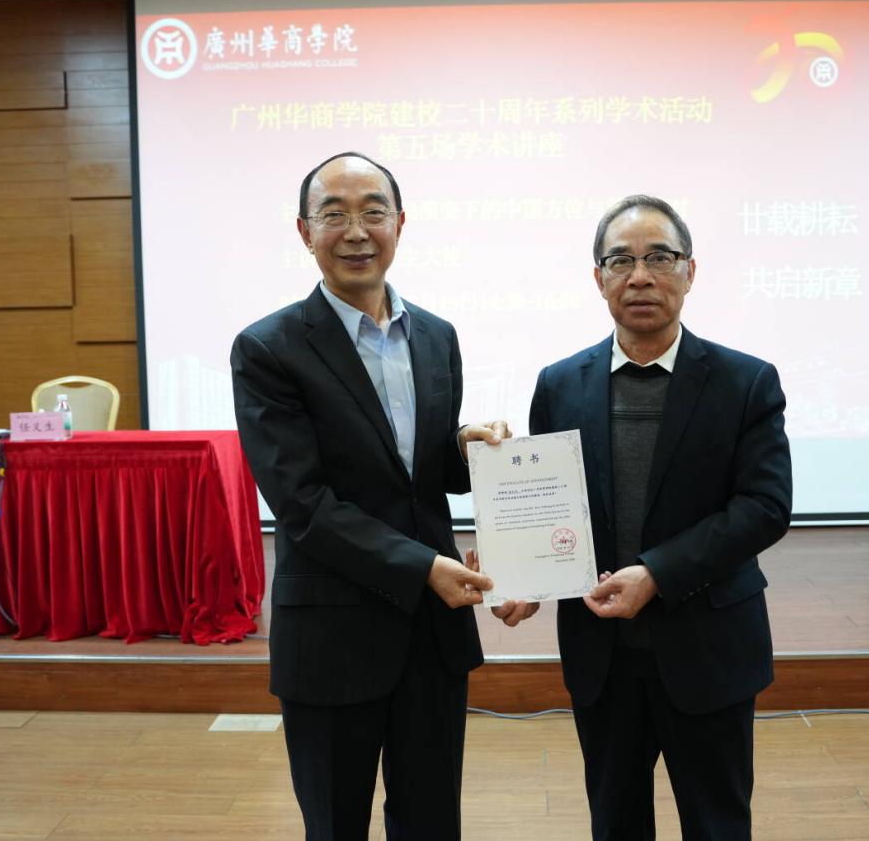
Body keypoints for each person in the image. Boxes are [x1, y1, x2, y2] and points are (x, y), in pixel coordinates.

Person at [230, 151, 508, 840]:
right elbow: (302, 504)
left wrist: (467, 447)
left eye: (372, 212)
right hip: (332, 635)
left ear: (399, 224)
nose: (356, 231)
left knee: (432, 821)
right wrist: (423, 566)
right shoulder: (268, 348)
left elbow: (417, 469)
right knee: (335, 825)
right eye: (334, 214)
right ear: (305, 232)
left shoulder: (436, 335)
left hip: (431, 636)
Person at [529, 194, 793, 840]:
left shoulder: (745, 381)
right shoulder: (558, 384)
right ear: (599, 279)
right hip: (602, 656)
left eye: (659, 258)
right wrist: (525, 578)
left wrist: (656, 573)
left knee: (717, 824)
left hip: (708, 649)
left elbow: (764, 508)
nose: (640, 276)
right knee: (614, 823)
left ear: (689, 271)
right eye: (620, 260)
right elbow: (547, 507)